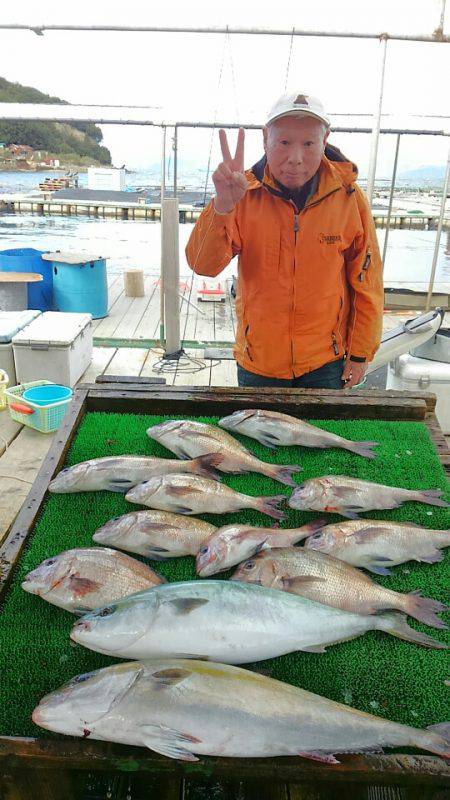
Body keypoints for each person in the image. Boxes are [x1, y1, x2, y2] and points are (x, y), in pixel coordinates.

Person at [186, 91, 383, 389]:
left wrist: (359, 353)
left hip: (325, 362)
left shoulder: (350, 199)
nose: (295, 158)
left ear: (325, 140)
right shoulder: (243, 194)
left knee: (321, 435)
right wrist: (222, 207)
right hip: (258, 362)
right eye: (284, 142)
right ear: (265, 138)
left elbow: (366, 281)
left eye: (308, 143)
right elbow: (203, 265)